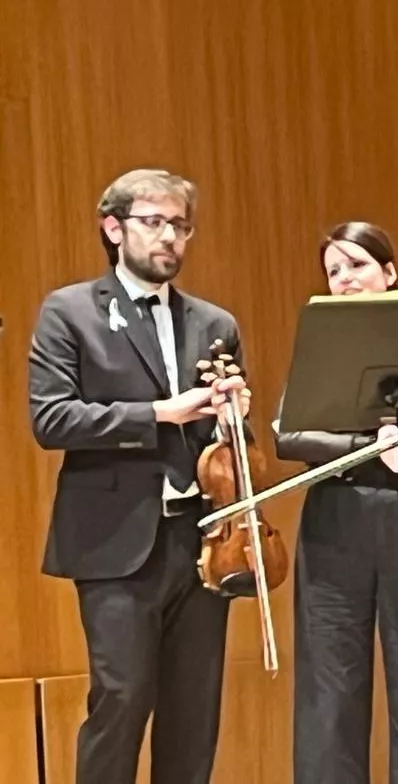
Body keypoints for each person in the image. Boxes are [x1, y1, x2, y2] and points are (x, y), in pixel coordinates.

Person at [27, 168, 250, 784]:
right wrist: (157, 413)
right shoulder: (69, 311)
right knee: (122, 700)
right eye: (154, 222)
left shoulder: (214, 323)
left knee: (193, 713)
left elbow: (226, 445)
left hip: (202, 544)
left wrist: (236, 415)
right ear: (114, 227)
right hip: (115, 542)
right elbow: (51, 418)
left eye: (180, 226)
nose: (170, 238)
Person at [271, 221, 398, 783]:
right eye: (334, 271)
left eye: (357, 265)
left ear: (389, 272)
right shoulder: (323, 341)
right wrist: (369, 445)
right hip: (335, 520)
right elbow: (288, 433)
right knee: (330, 697)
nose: (346, 280)